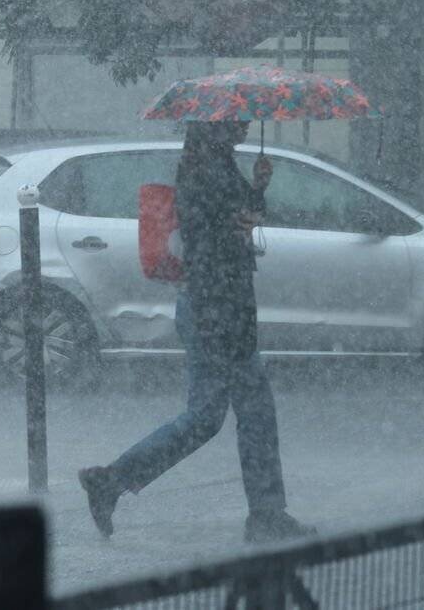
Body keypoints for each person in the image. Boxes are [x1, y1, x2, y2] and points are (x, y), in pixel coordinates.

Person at [78, 121, 315, 543]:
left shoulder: (215, 165)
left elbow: (233, 222)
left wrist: (257, 190)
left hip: (220, 306)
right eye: (236, 118)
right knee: (217, 417)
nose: (244, 123)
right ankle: (114, 481)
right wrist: (236, 233)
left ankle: (263, 513)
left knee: (233, 415)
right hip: (216, 308)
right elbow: (205, 243)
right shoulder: (205, 174)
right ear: (216, 127)